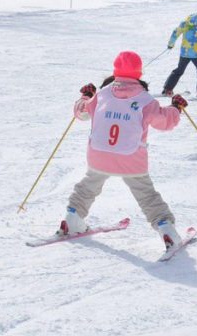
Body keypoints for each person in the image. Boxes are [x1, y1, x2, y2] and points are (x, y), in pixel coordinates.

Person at [58, 51, 187, 252]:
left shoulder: (102, 94)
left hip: (100, 155)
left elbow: (81, 112)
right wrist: (176, 108)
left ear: (115, 70)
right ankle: (166, 229)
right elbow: (165, 121)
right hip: (131, 159)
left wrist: (85, 96)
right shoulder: (145, 100)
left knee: (89, 185)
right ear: (139, 72)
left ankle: (73, 218)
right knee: (146, 195)